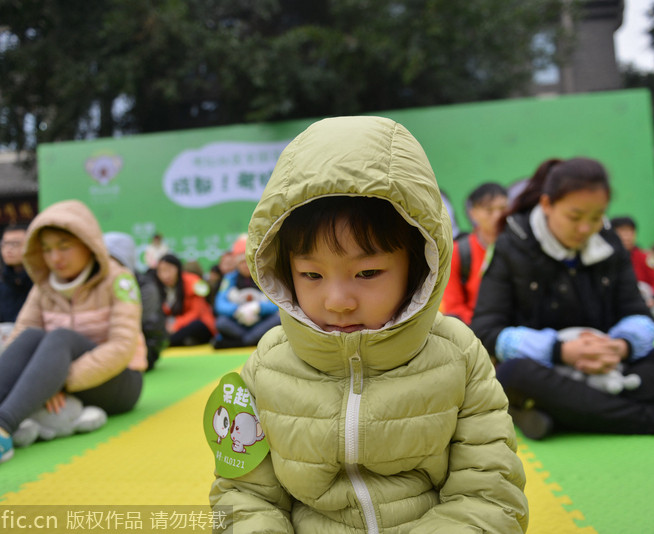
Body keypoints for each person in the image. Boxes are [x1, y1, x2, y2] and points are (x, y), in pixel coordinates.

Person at [209, 116, 528, 532]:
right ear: (284, 270)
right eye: (311, 275)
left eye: (367, 273)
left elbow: (488, 492)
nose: (337, 301)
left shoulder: (459, 355)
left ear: (419, 265)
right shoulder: (266, 366)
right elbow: (243, 494)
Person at [471, 157, 654, 441]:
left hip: (611, 368)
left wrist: (621, 346)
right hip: (548, 370)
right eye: (574, 217)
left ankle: (566, 413)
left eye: (596, 217)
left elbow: (639, 313)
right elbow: (486, 330)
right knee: (513, 374)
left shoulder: (610, 244)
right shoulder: (511, 246)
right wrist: (561, 351)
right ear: (547, 205)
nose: (585, 229)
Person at [0, 199, 147, 479]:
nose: (55, 257)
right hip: (60, 379)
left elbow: (121, 348)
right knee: (31, 335)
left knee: (60, 337)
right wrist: (45, 381)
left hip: (120, 382)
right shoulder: (45, 285)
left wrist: (56, 381)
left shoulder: (119, 280)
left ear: (88, 243)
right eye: (47, 249)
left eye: (64, 246)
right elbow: (20, 337)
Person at [440, 182, 508, 324]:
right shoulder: (459, 252)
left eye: (503, 209)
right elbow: (454, 307)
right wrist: (485, 328)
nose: (497, 216)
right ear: (473, 214)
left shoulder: (520, 246)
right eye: (489, 210)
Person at [104, 232, 168, 371]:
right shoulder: (100, 283)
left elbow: (131, 322)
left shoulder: (145, 286)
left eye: (111, 260)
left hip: (146, 344)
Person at [211, 236, 281, 349]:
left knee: (278, 319)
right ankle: (250, 340)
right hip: (239, 323)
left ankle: (241, 342)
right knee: (221, 322)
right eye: (242, 262)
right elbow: (220, 304)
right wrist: (236, 310)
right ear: (237, 264)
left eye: (248, 261)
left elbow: (277, 303)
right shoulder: (229, 279)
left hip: (260, 322)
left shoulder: (266, 277)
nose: (245, 265)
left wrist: (259, 308)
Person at [154, 253, 216, 348]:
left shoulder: (193, 281)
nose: (165, 275)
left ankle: (166, 342)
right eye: (161, 271)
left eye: (169, 270)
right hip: (173, 327)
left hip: (199, 324)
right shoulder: (159, 288)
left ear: (178, 269)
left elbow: (197, 312)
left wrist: (176, 324)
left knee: (196, 326)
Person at [0, 224, 34, 323]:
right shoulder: (2, 282)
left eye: (15, 244)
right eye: (5, 244)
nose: (8, 249)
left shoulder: (39, 280)